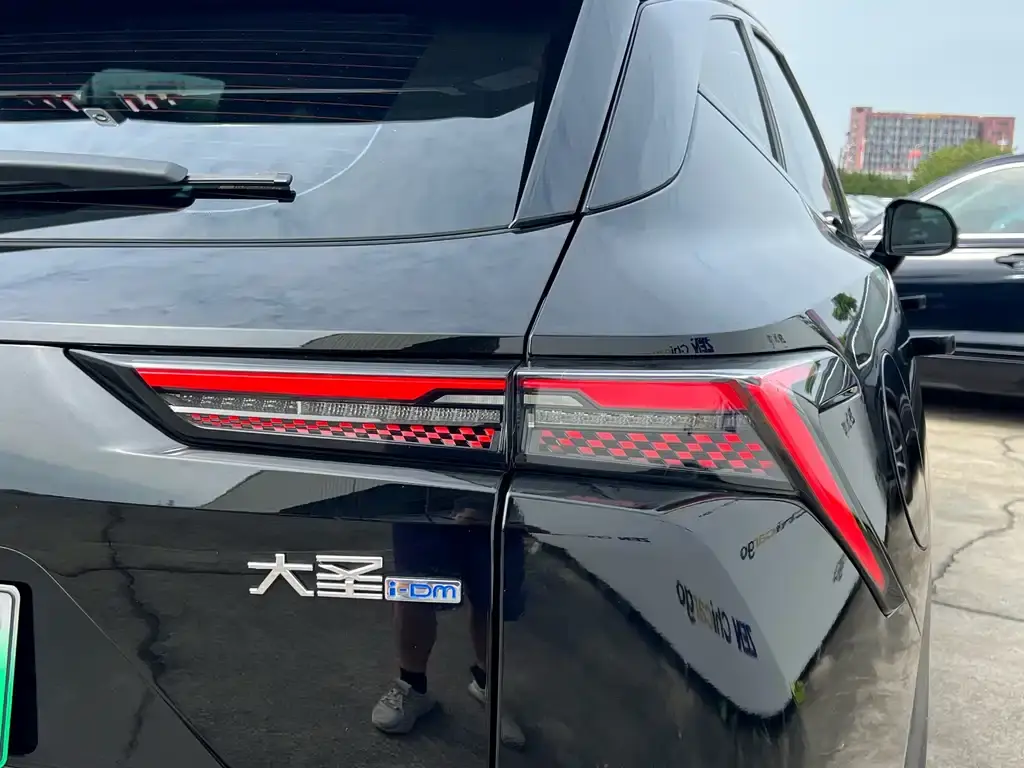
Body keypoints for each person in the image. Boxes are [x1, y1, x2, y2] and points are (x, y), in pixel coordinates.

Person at [371, 499, 526, 749]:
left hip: (496, 501)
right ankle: (412, 686)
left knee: (492, 598)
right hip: (425, 498)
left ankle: (487, 684)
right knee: (415, 590)